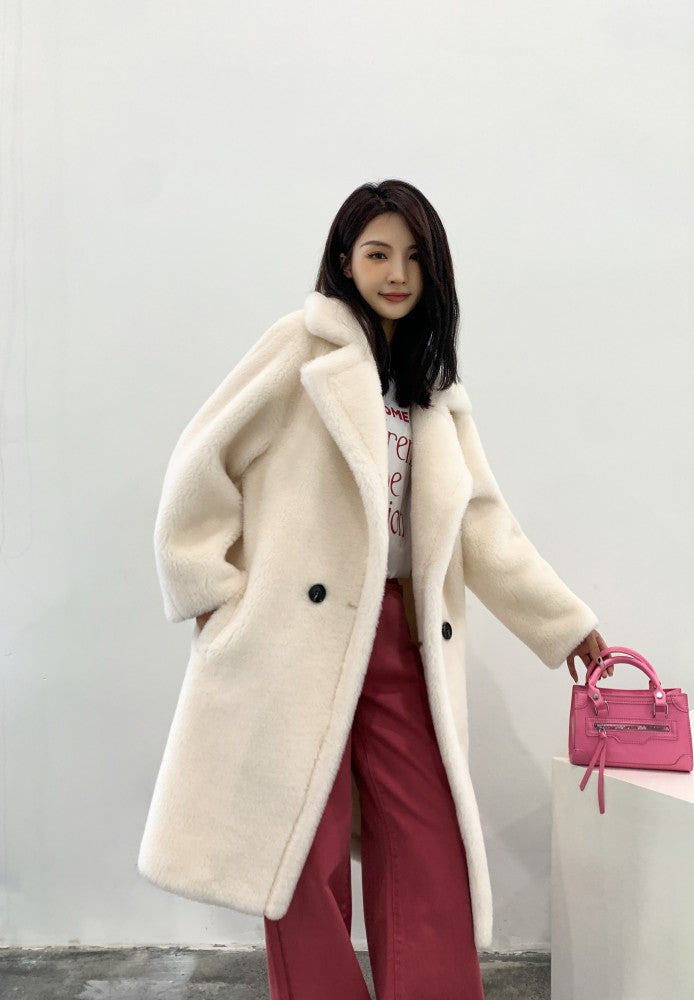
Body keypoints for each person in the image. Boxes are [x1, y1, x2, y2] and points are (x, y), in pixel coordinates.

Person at [138, 179, 610, 1000]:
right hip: (293, 638)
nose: (396, 273)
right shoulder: (301, 349)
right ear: (344, 259)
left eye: (413, 257)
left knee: (429, 842)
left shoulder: (435, 392)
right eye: (378, 253)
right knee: (302, 850)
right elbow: (201, 459)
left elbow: (483, 526)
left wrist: (563, 624)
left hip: (402, 638)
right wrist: (211, 591)